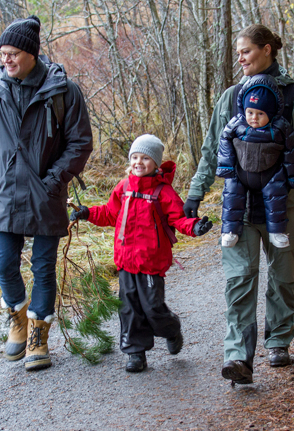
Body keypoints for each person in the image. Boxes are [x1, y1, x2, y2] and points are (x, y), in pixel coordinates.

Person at [183, 24, 294, 385]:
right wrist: (195, 194)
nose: (240, 58)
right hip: (239, 211)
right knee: (239, 280)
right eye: (238, 52)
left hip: (287, 208)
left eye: (246, 51)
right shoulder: (231, 98)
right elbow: (210, 152)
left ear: (267, 50)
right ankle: (238, 356)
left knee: (283, 278)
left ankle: (278, 341)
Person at [0, 15, 93, 372]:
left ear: (30, 54)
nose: (5, 60)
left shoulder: (63, 91)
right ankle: (17, 318)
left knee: (43, 268)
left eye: (11, 54)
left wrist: (54, 180)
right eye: (2, 54)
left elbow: (81, 143)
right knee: (5, 264)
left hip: (46, 193)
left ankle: (39, 335)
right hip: (6, 192)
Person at [71, 134, 213, 372]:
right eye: (135, 157)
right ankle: (136, 353)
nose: (139, 162)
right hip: (126, 260)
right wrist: (87, 213)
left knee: (153, 307)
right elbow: (109, 213)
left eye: (145, 158)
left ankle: (171, 328)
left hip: (151, 261)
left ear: (156, 163)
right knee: (129, 307)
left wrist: (195, 226)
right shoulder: (123, 188)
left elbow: (178, 219)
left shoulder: (163, 192)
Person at [216, 73, 294, 250]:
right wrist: (225, 166)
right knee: (232, 195)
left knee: (276, 197)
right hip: (241, 172)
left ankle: (277, 231)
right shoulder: (237, 124)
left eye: (260, 113)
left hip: (271, 173)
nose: (254, 118)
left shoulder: (280, 126)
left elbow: (292, 152)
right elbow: (224, 140)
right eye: (250, 112)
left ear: (270, 113)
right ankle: (230, 230)